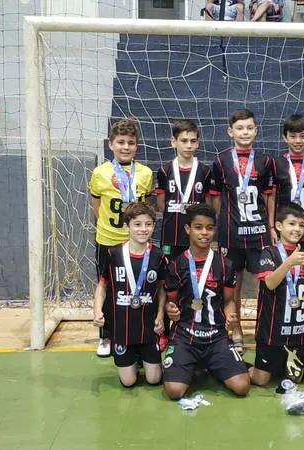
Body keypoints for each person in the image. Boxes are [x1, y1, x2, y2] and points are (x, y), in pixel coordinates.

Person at [162, 204, 251, 399]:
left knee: (242, 386)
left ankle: (211, 365)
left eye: (210, 228)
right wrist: (171, 310)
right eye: (198, 227)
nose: (204, 233)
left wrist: (231, 316)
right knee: (174, 391)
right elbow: (172, 301)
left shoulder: (225, 264)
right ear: (188, 229)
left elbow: (228, 300)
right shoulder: (177, 265)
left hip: (216, 336)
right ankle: (189, 364)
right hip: (185, 335)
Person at [208, 108, 274, 354]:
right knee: (231, 285)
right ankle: (234, 330)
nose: (244, 132)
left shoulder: (265, 161)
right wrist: (224, 222)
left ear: (255, 130)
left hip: (259, 233)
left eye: (249, 128)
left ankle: (262, 329)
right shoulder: (221, 160)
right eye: (239, 128)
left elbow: (269, 198)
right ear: (230, 131)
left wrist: (270, 227)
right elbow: (215, 200)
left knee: (264, 285)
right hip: (231, 235)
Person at [89, 118, 154, 357]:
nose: (125, 147)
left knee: (135, 287)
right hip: (107, 239)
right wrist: (107, 228)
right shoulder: (100, 173)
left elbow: (145, 207)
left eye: (131, 143)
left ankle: (136, 333)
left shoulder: (145, 173)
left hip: (135, 242)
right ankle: (106, 336)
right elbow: (96, 205)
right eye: (121, 142)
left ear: (136, 146)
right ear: (111, 144)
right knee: (107, 286)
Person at [251, 203, 304, 385]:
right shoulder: (268, 252)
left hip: (297, 332)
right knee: (261, 381)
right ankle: (238, 366)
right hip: (272, 332)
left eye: (301, 225)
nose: (297, 229)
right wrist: (289, 263)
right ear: (279, 226)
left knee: (294, 379)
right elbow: (270, 283)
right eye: (292, 224)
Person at [92, 203, 168, 387]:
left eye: (148, 224)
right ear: (127, 226)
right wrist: (97, 311)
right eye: (138, 224)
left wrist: (160, 315)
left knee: (154, 380)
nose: (143, 229)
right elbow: (102, 285)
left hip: (148, 328)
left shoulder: (158, 256)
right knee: (128, 382)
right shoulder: (113, 253)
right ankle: (131, 360)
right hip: (122, 329)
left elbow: (162, 289)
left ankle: (144, 358)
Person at [269, 114, 304, 267]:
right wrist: (272, 227)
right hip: (284, 229)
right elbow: (272, 197)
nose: (298, 141)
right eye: (293, 136)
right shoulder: (276, 163)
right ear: (285, 138)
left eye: (303, 136)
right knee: (283, 269)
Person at [155, 119, 211, 261]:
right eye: (184, 141)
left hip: (195, 236)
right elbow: (161, 205)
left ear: (198, 143)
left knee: (194, 273)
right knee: (169, 275)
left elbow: (207, 204)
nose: (189, 145)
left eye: (193, 141)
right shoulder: (164, 170)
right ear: (173, 142)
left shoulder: (204, 171)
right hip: (170, 235)